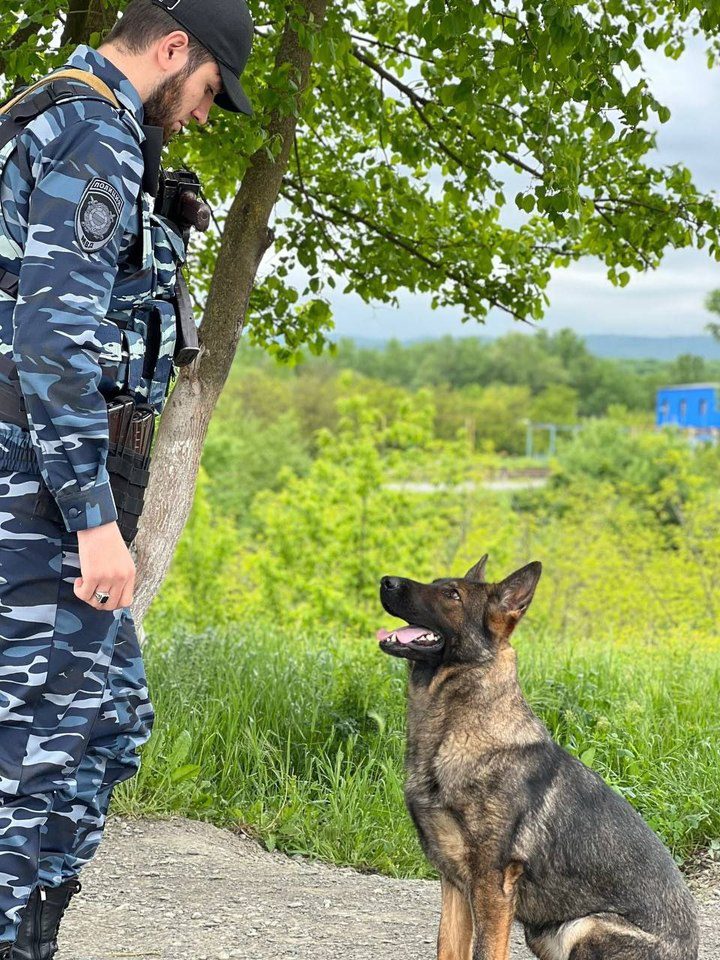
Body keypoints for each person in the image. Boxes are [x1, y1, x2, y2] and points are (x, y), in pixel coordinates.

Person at [0, 1, 253, 956]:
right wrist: (93, 522)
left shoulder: (66, 124)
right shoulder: (92, 134)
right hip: (43, 498)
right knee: (36, 760)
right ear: (173, 50)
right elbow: (53, 346)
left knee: (108, 719)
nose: (199, 113)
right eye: (206, 93)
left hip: (47, 486)